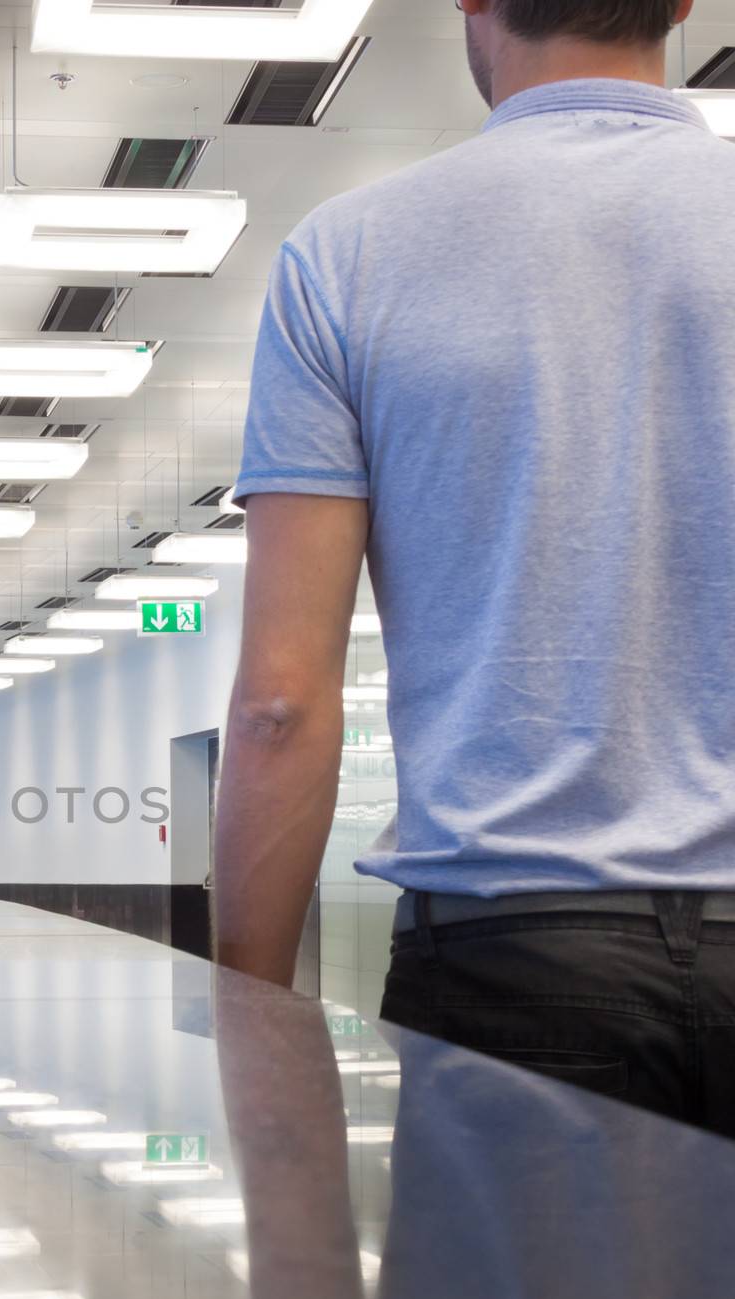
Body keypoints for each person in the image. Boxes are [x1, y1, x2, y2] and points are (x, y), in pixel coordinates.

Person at [211, 0, 735, 1130]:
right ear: (687, 2)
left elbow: (278, 707)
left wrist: (249, 1028)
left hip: (513, 962)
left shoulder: (348, 258)